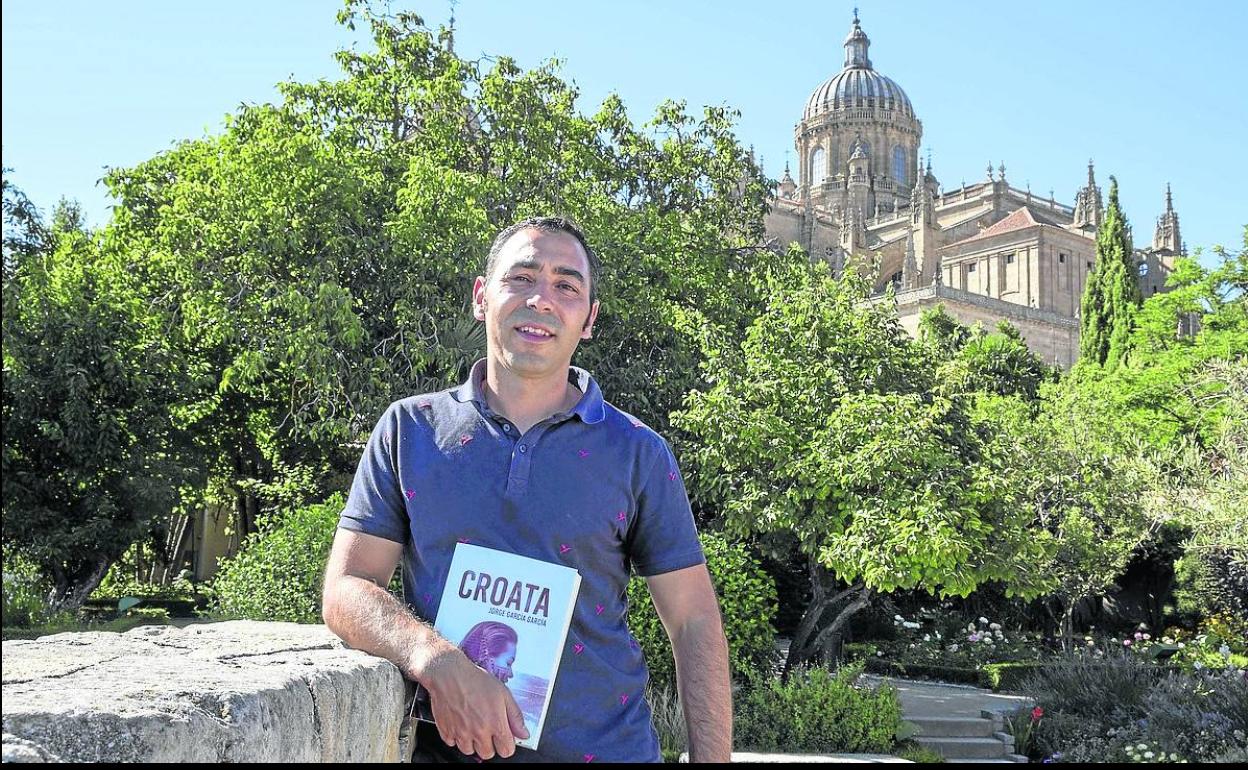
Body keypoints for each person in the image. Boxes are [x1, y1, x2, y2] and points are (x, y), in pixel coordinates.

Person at [321, 216, 731, 763]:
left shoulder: (639, 452)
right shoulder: (409, 429)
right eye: (522, 277)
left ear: (589, 319)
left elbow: (694, 619)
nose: (542, 300)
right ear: (481, 297)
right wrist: (435, 658)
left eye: (566, 286)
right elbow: (347, 586)